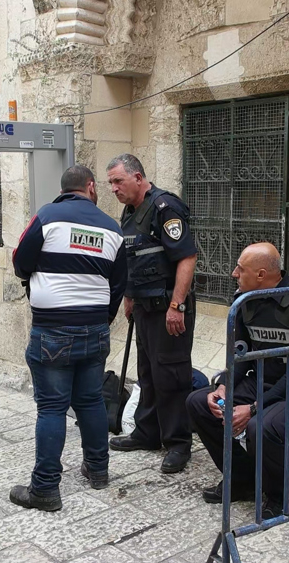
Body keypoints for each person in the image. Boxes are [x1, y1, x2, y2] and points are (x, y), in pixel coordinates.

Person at [7, 165, 127, 511]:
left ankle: (44, 488)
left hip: (53, 330)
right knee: (90, 400)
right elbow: (118, 284)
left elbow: (20, 262)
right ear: (90, 187)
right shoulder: (111, 227)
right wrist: (101, 319)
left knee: (52, 407)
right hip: (94, 329)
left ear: (64, 190)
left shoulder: (47, 217)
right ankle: (98, 470)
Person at [185, 242, 289, 517]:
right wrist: (224, 387)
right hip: (262, 380)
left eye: (241, 269)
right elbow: (240, 355)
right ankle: (243, 480)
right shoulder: (245, 302)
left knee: (259, 426)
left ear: (262, 275)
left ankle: (281, 495)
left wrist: (254, 407)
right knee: (199, 402)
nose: (233, 273)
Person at [106, 154, 198, 474]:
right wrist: (129, 297)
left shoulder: (165, 208)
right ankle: (148, 432)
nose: (114, 188)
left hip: (168, 308)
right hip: (144, 307)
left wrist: (177, 306)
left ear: (138, 177)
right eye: (111, 183)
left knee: (171, 375)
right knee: (148, 374)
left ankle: (177, 443)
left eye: (118, 181)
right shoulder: (130, 213)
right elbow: (132, 257)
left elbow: (186, 257)